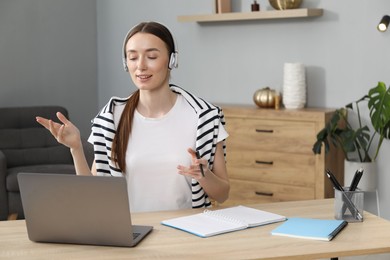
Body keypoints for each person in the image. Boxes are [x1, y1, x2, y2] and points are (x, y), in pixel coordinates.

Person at [36, 21, 229, 212]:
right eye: (133, 57)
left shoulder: (204, 117)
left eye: (151, 56)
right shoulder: (111, 118)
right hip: (131, 234)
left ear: (172, 61)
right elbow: (92, 195)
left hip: (186, 233)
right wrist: (76, 149)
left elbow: (222, 194)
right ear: (125, 63)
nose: (141, 66)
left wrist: (204, 176)